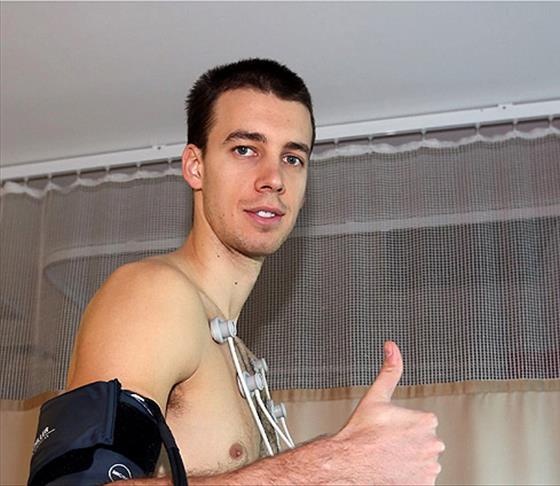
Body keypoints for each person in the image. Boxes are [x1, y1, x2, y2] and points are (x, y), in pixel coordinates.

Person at [33, 59, 444, 485]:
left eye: (292, 158)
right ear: (195, 166)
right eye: (245, 149)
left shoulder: (237, 351)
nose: (274, 178)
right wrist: (328, 464)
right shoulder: (154, 294)